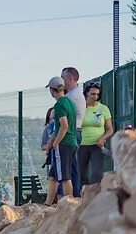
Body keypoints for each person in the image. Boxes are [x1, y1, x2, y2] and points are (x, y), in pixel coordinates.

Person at [43, 75, 78, 204]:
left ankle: (69, 205)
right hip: (72, 142)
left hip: (64, 144)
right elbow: (58, 128)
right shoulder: (70, 103)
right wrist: (49, 145)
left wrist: (56, 143)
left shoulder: (59, 105)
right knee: (53, 176)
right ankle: (47, 204)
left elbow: (64, 125)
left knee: (64, 177)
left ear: (52, 90)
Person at [78, 82, 114, 190]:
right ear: (86, 94)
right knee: (82, 174)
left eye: (98, 94)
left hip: (97, 146)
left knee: (97, 173)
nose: (96, 97)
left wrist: (103, 138)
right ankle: (82, 197)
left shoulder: (103, 109)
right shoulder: (81, 109)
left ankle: (96, 195)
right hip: (82, 145)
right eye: (93, 94)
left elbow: (110, 129)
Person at [61, 65, 86, 196]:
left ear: (70, 78)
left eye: (62, 78)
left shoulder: (72, 96)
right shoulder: (73, 94)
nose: (61, 81)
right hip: (75, 132)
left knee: (68, 168)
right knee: (72, 167)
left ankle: (72, 197)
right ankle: (74, 196)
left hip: (72, 133)